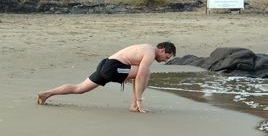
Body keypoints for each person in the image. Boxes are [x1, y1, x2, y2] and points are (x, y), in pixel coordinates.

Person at [37, 42, 176, 113]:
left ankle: (46, 94)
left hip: (105, 64)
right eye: (166, 57)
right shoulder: (150, 53)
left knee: (79, 88)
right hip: (112, 68)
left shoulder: (145, 47)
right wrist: (140, 101)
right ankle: (134, 105)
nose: (165, 60)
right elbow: (140, 76)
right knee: (145, 72)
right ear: (162, 50)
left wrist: (128, 74)